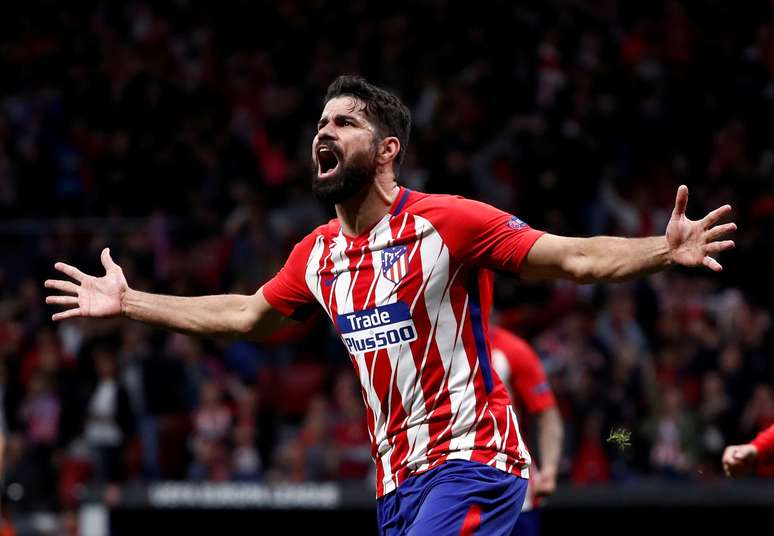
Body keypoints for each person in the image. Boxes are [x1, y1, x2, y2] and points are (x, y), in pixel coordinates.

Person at [44, 75, 736, 535]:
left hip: (473, 460)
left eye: (345, 122)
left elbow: (573, 258)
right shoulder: (316, 256)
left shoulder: (448, 221)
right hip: (395, 486)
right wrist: (130, 302)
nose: (325, 131)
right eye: (321, 122)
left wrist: (660, 249)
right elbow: (245, 316)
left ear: (386, 150)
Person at [490, 325, 562, 536]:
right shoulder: (431, 347)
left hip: (513, 488)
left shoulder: (511, 349)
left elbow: (547, 413)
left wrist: (549, 468)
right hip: (450, 485)